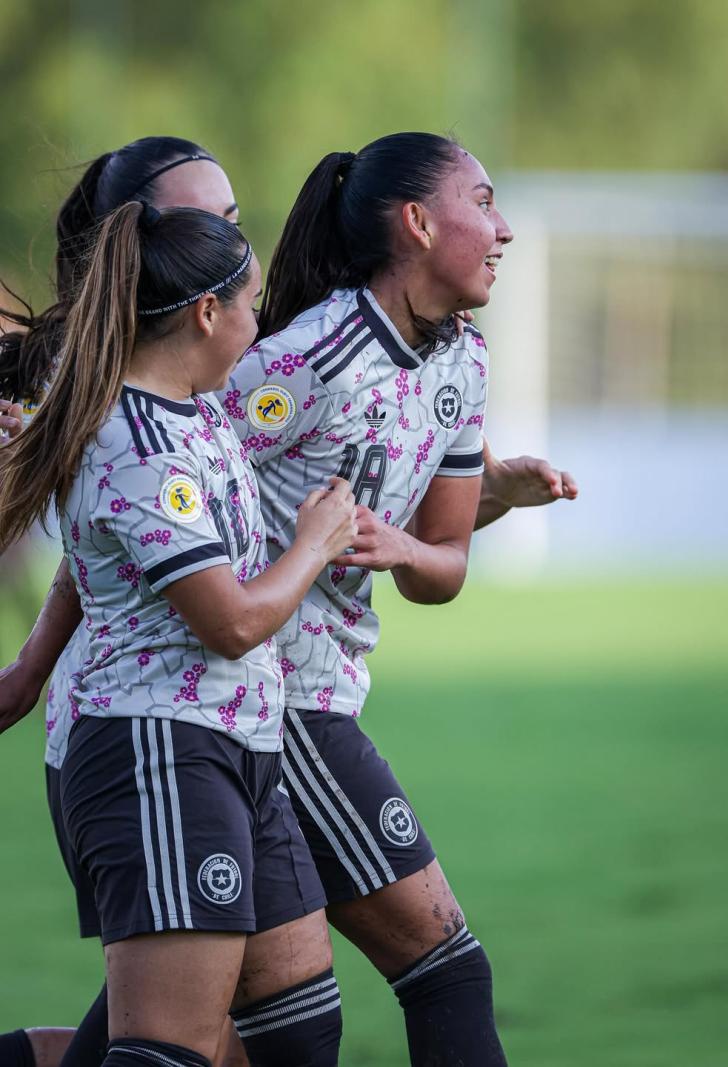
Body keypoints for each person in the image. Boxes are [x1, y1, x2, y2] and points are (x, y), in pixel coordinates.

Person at [0, 133, 576, 1067]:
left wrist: (464, 508)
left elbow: (431, 555)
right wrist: (35, 665)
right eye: (209, 227)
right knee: (431, 972)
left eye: (232, 221)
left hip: (253, 714)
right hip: (212, 716)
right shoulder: (251, 380)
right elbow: (170, 549)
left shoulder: (440, 365)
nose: (503, 228)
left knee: (237, 1032)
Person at [0, 201, 357, 1067]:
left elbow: (96, 562)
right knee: (169, 1053)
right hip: (159, 752)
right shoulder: (138, 444)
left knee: (301, 1032)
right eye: (252, 304)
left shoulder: (191, 410)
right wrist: (315, 544)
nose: (258, 325)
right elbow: (230, 622)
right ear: (206, 312)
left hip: (238, 749)